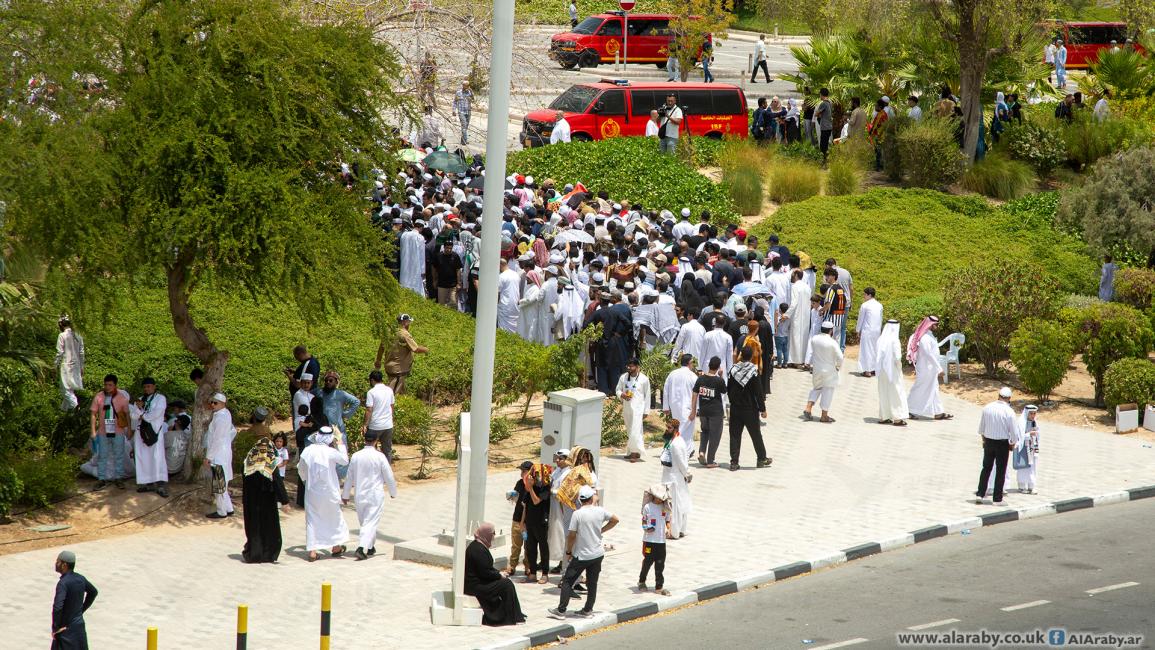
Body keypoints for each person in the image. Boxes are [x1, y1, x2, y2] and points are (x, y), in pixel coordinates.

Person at [547, 486, 619, 620]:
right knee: (592, 582)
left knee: (568, 580)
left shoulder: (577, 514)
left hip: (582, 554)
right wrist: (601, 531)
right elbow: (615, 519)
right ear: (591, 498)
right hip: (597, 553)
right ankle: (588, 610)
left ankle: (561, 610)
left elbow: (572, 535)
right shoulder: (600, 511)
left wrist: (568, 551)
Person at [342, 432, 398, 560]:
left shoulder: (356, 456)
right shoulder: (380, 456)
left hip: (359, 494)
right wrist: (393, 492)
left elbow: (349, 477)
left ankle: (370, 546)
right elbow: (388, 476)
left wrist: (345, 495)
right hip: (374, 494)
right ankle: (361, 548)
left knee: (365, 522)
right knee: (370, 522)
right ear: (376, 440)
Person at [299, 426, 349, 561]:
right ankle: (336, 547)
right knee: (335, 517)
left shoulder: (308, 450)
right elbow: (345, 460)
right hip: (330, 491)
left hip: (312, 491)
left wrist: (307, 481)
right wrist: (340, 442)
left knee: (312, 520)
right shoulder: (330, 452)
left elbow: (301, 469)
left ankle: (312, 551)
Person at [466, 522, 528, 626]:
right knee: (506, 585)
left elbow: (486, 569)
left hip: (477, 582)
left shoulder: (478, 545)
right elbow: (485, 572)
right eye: (493, 533)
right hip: (475, 586)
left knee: (505, 582)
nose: (494, 536)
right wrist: (499, 575)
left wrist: (498, 574)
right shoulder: (478, 550)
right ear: (486, 534)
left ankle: (515, 614)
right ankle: (510, 616)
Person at [240, 437, 282, 564]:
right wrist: (284, 500)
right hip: (267, 502)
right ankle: (268, 554)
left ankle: (254, 553)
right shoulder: (270, 463)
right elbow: (277, 482)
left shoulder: (248, 463)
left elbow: (244, 482)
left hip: (251, 502)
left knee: (254, 527)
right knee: (268, 527)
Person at [728, 346, 770, 470]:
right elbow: (758, 392)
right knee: (756, 434)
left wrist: (732, 401)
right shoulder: (753, 371)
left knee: (735, 435)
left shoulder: (733, 370)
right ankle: (761, 458)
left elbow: (728, 388)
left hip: (735, 408)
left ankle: (734, 462)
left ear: (741, 355)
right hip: (750, 409)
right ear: (751, 356)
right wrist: (763, 409)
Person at [975, 387, 1020, 506]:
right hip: (1002, 443)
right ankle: (997, 498)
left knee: (986, 468)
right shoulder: (1009, 411)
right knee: (1001, 471)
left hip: (989, 441)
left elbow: (981, 428)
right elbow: (1014, 432)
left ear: (998, 395)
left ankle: (980, 493)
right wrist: (1012, 443)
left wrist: (984, 440)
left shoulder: (988, 407)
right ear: (1009, 398)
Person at [89, 374, 131, 491]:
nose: (107, 387)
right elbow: (93, 414)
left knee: (119, 454)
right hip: (103, 431)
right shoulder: (99, 397)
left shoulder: (122, 397)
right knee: (102, 455)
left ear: (115, 385)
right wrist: (93, 430)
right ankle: (101, 479)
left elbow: (127, 415)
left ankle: (119, 478)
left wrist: (129, 431)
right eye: (106, 384)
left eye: (110, 385)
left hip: (118, 431)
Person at [129, 377, 169, 497]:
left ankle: (160, 485)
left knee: (157, 457)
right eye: (145, 387)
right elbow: (133, 416)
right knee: (143, 457)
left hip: (155, 431)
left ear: (154, 386)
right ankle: (147, 483)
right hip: (141, 433)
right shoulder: (140, 399)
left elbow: (157, 413)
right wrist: (140, 410)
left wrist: (142, 413)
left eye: (149, 386)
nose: (147, 389)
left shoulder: (160, 398)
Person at [907, 316, 952, 420]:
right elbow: (928, 354)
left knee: (934, 388)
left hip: (930, 368)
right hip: (925, 368)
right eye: (936, 324)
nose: (937, 326)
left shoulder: (929, 336)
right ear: (931, 325)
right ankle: (907, 410)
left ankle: (938, 412)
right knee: (920, 388)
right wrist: (939, 367)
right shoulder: (925, 338)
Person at [51, 550, 98, 650]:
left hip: (65, 631)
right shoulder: (80, 578)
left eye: (58, 561)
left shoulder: (63, 583)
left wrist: (56, 628)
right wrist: (80, 611)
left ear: (64, 565)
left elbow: (57, 607)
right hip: (79, 628)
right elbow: (93, 592)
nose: (56, 563)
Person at [519, 461, 553, 584]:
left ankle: (545, 573)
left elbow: (536, 501)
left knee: (543, 548)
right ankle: (532, 573)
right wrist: (522, 522)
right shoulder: (528, 486)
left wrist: (531, 488)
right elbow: (526, 505)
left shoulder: (545, 488)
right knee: (530, 548)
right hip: (530, 522)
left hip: (541, 522)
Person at [690, 356, 727, 467]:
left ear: (709, 365)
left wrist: (693, 411)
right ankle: (710, 461)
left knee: (705, 431)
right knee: (715, 435)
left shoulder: (700, 379)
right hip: (715, 413)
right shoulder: (718, 380)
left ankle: (702, 451)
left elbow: (695, 394)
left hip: (703, 411)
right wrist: (721, 376)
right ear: (718, 367)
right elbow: (724, 391)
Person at [204, 393, 237, 518]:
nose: (212, 405)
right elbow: (232, 431)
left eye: (215, 403)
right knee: (223, 482)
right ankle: (228, 508)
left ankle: (221, 511)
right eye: (212, 402)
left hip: (218, 454)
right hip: (224, 451)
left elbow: (216, 439)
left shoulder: (221, 417)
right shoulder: (225, 414)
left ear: (223, 403)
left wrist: (209, 457)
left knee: (219, 483)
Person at [803, 322, 843, 423]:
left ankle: (808, 407)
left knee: (816, 388)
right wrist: (837, 367)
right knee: (828, 391)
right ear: (831, 331)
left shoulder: (814, 339)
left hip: (816, 369)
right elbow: (840, 357)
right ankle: (824, 416)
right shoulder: (832, 342)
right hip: (829, 370)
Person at [660, 418, 692, 538]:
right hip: (670, 476)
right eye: (667, 427)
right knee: (677, 504)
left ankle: (675, 532)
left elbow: (681, 463)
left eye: (669, 428)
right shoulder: (672, 441)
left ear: (675, 429)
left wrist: (687, 474)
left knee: (676, 506)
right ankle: (679, 529)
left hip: (675, 479)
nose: (667, 430)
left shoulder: (677, 444)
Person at [381, 313, 428, 394]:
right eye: (409, 322)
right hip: (398, 369)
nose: (409, 324)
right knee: (392, 394)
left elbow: (381, 347)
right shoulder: (404, 334)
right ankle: (388, 406)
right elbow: (416, 349)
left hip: (390, 366)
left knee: (402, 393)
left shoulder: (390, 332)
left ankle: (404, 406)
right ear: (404, 322)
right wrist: (426, 350)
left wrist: (378, 361)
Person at [875, 319, 909, 427]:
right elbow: (898, 357)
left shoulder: (880, 339)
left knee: (883, 392)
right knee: (896, 392)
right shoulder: (895, 340)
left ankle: (884, 417)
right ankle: (898, 418)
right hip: (892, 370)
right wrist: (899, 368)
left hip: (881, 370)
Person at [638, 483, 671, 595]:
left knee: (660, 564)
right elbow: (643, 521)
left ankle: (659, 586)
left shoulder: (665, 508)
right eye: (658, 497)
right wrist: (646, 528)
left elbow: (667, 520)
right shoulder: (647, 507)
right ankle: (642, 581)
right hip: (649, 541)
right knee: (647, 562)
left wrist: (668, 529)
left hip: (661, 541)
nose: (660, 500)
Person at [616, 358, 651, 462]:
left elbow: (647, 395)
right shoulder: (623, 377)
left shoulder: (644, 379)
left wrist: (646, 411)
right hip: (627, 407)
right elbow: (618, 389)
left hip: (638, 409)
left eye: (631, 366)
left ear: (637, 367)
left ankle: (635, 453)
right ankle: (632, 451)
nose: (629, 368)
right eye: (628, 366)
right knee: (629, 429)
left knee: (636, 430)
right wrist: (622, 394)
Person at [663, 353, 699, 449]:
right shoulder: (693, 376)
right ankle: (681, 450)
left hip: (674, 406)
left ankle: (682, 449)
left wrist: (666, 407)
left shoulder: (672, 374)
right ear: (689, 363)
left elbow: (665, 390)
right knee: (686, 430)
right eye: (693, 362)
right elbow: (697, 394)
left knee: (679, 427)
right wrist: (697, 409)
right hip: (688, 407)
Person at [363, 370, 396, 461]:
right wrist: (391, 419)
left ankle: (374, 469)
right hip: (388, 425)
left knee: (371, 449)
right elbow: (392, 406)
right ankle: (387, 470)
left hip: (375, 426)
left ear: (372, 380)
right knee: (387, 450)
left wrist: (365, 424)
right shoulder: (389, 390)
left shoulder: (371, 392)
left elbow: (369, 409)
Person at [54, 315, 85, 411]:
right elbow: (81, 352)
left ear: (61, 325)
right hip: (76, 365)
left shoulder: (62, 335)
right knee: (70, 389)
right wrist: (82, 366)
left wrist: (54, 365)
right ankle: (64, 412)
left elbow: (60, 352)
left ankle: (77, 408)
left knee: (65, 390)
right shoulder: (78, 336)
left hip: (66, 365)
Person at [855, 287, 883, 377]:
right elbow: (881, 319)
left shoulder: (865, 305)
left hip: (867, 330)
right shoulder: (879, 305)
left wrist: (857, 330)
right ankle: (874, 369)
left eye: (865, 294)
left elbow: (860, 319)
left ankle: (867, 370)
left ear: (869, 295)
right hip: (877, 330)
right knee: (875, 349)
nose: (864, 296)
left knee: (866, 349)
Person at [786, 270, 811, 367]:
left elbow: (794, 303)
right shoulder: (807, 287)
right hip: (805, 314)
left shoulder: (795, 286)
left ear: (796, 275)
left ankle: (794, 360)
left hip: (796, 314)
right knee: (803, 336)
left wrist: (787, 314)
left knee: (795, 336)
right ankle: (802, 359)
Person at [1014, 405, 1041, 494]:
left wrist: (1035, 434)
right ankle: (1022, 485)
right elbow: (1019, 436)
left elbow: (1038, 434)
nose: (1033, 416)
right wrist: (1028, 434)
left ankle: (1031, 485)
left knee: (1032, 467)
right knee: (1023, 467)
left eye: (1034, 413)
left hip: (1032, 448)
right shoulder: (1021, 422)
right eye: (1031, 414)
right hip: (1023, 448)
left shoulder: (1035, 423)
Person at [820, 268, 848, 352]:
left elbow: (828, 304)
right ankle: (836, 360)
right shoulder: (840, 289)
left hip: (831, 319)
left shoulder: (831, 289)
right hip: (839, 319)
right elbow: (845, 303)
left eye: (827, 276)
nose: (826, 278)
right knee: (837, 340)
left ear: (833, 276)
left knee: (829, 341)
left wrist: (821, 310)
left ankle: (829, 359)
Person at [399, 221, 426, 297]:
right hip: (416, 265)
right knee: (415, 284)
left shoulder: (404, 235)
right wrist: (423, 270)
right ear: (421, 228)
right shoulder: (420, 237)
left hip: (404, 263)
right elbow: (422, 254)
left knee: (404, 282)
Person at [434, 238, 464, 306]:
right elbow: (434, 269)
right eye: (447, 248)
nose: (449, 250)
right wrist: (434, 280)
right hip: (442, 284)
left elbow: (458, 270)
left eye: (450, 248)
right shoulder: (439, 256)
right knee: (441, 305)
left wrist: (459, 283)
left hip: (453, 285)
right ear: (444, 247)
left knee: (453, 303)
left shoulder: (455, 256)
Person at [497, 257, 521, 333]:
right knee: (515, 326)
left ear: (500, 265)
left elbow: (497, 292)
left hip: (505, 305)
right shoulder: (516, 274)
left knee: (504, 329)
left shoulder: (501, 276)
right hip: (515, 304)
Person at [815, 88, 833, 164]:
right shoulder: (830, 102)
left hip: (824, 127)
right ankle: (826, 160)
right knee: (826, 144)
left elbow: (816, 114)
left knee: (823, 146)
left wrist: (818, 113)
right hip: (829, 126)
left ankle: (824, 161)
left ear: (821, 94)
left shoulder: (823, 103)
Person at [452, 81, 473, 145]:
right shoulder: (458, 93)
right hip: (461, 112)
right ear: (463, 85)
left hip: (468, 111)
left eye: (467, 85)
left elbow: (474, 100)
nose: (466, 86)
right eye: (464, 85)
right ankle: (464, 141)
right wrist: (454, 110)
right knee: (464, 126)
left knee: (465, 127)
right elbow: (455, 102)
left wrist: (471, 92)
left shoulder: (469, 92)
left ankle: (462, 140)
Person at [774, 302, 791, 368]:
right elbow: (789, 327)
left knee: (779, 350)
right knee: (785, 350)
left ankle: (779, 364)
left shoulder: (779, 317)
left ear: (780, 309)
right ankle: (785, 363)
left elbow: (776, 325)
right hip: (785, 335)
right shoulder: (789, 318)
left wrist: (776, 316)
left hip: (778, 336)